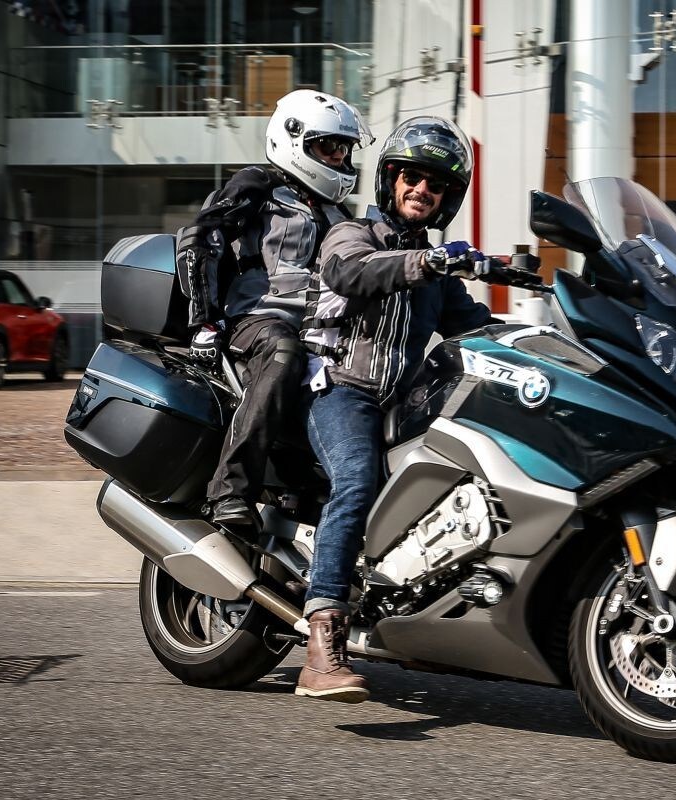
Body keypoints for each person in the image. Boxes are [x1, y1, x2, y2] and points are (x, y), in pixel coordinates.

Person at [295, 116, 495, 702]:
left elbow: (478, 328)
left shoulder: (437, 272)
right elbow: (351, 273)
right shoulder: (352, 234)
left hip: (402, 408)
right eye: (412, 177)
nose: (422, 190)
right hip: (340, 391)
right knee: (357, 481)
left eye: (435, 184)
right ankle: (321, 644)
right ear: (391, 180)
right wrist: (428, 263)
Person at [177, 89, 372, 531]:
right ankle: (229, 492)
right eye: (329, 146)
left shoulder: (340, 214)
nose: (340, 157)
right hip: (255, 322)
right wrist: (205, 321)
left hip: (318, 335)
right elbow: (200, 238)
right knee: (283, 352)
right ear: (294, 139)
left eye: (344, 148)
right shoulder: (259, 185)